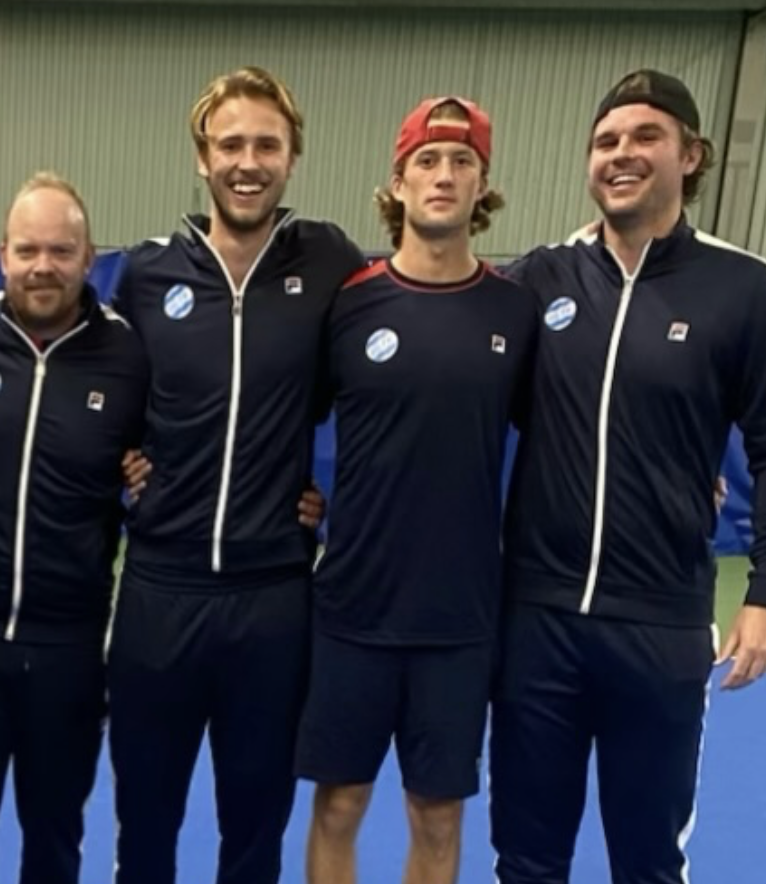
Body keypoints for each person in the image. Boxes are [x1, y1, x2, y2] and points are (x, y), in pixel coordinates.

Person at [491, 69, 766, 884]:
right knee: (526, 862)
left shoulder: (743, 285)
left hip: (660, 627)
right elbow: (449, 410)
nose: (622, 153)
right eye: (606, 140)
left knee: (648, 864)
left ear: (692, 155)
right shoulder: (538, 280)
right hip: (537, 624)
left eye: (646, 136)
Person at [106, 66, 365, 884]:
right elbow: (99, 393)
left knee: (255, 830)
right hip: (159, 594)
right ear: (202, 157)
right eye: (230, 145)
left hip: (272, 600)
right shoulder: (148, 274)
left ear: (292, 158)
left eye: (266, 145)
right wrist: (124, 466)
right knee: (145, 824)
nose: (247, 163)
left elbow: (393, 375)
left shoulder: (330, 262)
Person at [296, 97, 535, 884]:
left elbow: (569, 432)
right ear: (397, 184)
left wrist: (685, 466)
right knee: (339, 805)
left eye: (462, 161)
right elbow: (276, 415)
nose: (444, 175)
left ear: (482, 186)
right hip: (352, 610)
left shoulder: (515, 310)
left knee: (437, 816)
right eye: (426, 161)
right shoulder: (349, 303)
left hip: (459, 621)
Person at [0, 173, 148, 884]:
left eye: (60, 250)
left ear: (89, 257)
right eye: (27, 250)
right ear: (1, 255)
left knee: (54, 839)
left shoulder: (130, 356)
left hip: (69, 650)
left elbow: (188, 446)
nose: (42, 266)